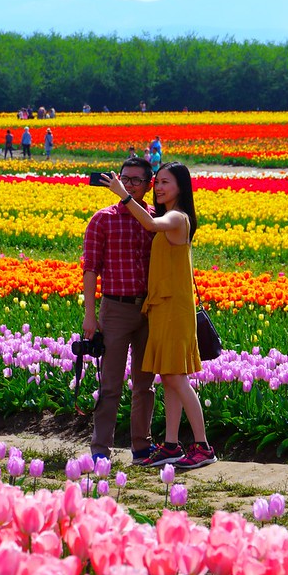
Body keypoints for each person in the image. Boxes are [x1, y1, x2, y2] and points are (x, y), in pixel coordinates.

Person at [104, 161, 217, 469]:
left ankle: (203, 446)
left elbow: (152, 226)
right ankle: (170, 444)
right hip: (162, 306)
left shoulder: (178, 218)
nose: (160, 188)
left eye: (166, 182)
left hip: (174, 309)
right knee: (168, 377)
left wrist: (123, 196)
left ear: (181, 186)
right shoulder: (169, 216)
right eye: (159, 183)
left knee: (177, 378)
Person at [82, 157, 157, 465]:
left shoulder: (155, 219)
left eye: (135, 180)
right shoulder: (103, 219)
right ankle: (100, 448)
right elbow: (90, 269)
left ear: (148, 185)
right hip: (115, 307)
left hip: (150, 310)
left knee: (145, 384)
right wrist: (90, 314)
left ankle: (142, 446)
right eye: (124, 178)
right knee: (110, 383)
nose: (128, 185)